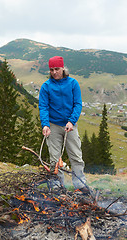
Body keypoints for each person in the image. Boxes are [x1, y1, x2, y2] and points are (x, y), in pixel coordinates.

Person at [39, 56, 88, 194]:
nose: (54, 72)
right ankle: (57, 186)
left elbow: (78, 104)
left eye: (57, 69)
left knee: (76, 156)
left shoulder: (73, 84)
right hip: (53, 126)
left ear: (63, 68)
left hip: (70, 126)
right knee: (55, 158)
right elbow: (43, 107)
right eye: (51, 70)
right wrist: (45, 125)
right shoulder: (46, 86)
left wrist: (71, 121)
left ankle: (79, 183)